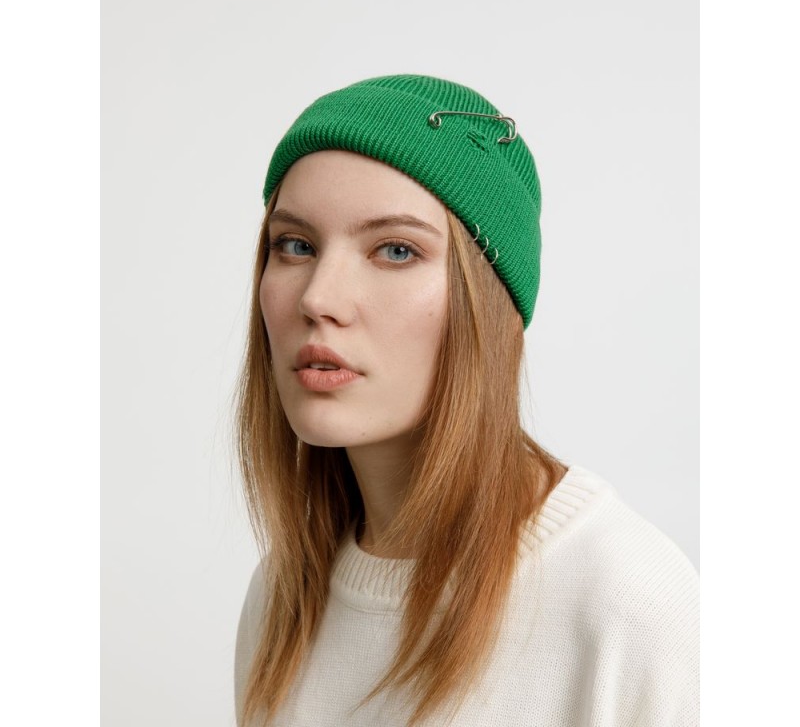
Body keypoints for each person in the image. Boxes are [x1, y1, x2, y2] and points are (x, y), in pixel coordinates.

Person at [232, 74, 699, 727]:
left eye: (396, 250)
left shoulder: (626, 604)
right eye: (296, 245)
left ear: (487, 302)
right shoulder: (284, 599)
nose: (318, 298)